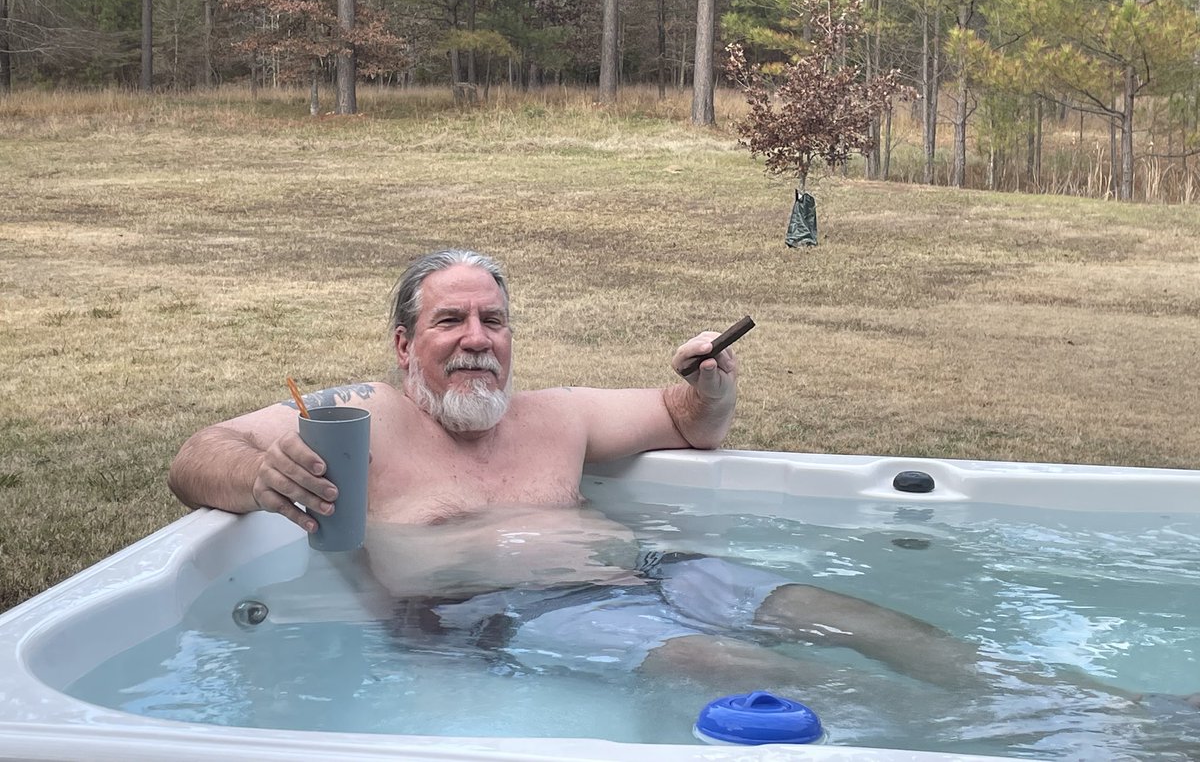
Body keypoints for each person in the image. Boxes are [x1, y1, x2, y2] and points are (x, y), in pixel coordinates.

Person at [168, 248, 1190, 710]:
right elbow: (194, 454)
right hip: (498, 613)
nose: (477, 340)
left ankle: (1091, 706)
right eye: (450, 322)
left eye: (494, 321)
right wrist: (264, 477)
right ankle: (1004, 737)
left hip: (653, 569)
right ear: (404, 344)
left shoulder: (552, 413)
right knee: (726, 666)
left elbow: (683, 423)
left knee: (856, 617)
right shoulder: (355, 418)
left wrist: (710, 379)